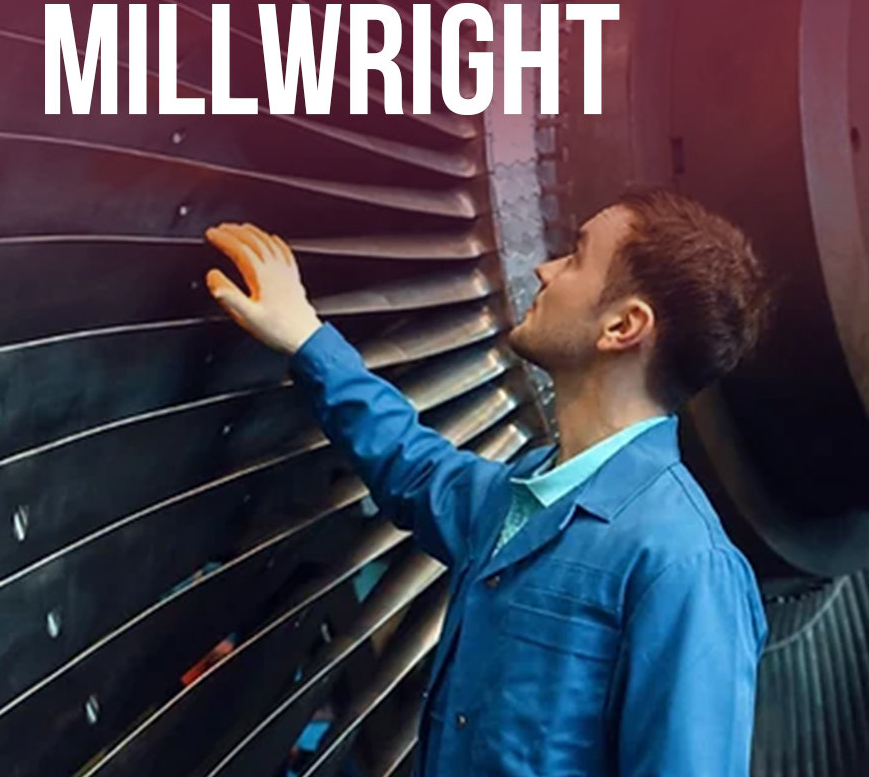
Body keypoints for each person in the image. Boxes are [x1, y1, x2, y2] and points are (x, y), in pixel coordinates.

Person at [203, 189, 771, 776]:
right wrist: (307, 338)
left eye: (574, 258)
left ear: (623, 325)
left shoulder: (683, 566)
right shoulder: (522, 496)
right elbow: (415, 465)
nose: (543, 270)